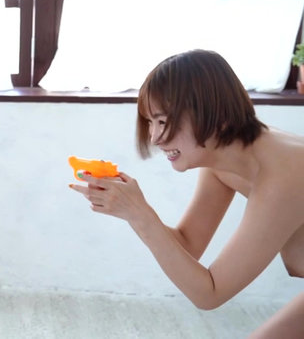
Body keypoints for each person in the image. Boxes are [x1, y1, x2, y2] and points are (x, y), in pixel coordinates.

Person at [69, 49, 304, 338]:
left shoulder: (284, 173)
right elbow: (187, 244)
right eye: (150, 122)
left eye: (163, 121)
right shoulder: (222, 157)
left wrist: (140, 214)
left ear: (214, 113)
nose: (154, 138)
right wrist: (132, 209)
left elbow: (210, 293)